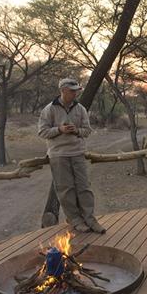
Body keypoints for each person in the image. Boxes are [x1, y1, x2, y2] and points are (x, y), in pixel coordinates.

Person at [38, 78, 106, 234]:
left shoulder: (80, 109)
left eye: (76, 91)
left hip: (77, 153)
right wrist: (59, 130)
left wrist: (76, 130)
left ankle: (90, 219)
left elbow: (87, 130)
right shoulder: (49, 109)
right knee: (65, 189)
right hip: (58, 154)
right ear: (62, 90)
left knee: (84, 187)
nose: (75, 93)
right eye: (72, 91)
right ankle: (75, 220)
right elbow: (42, 132)